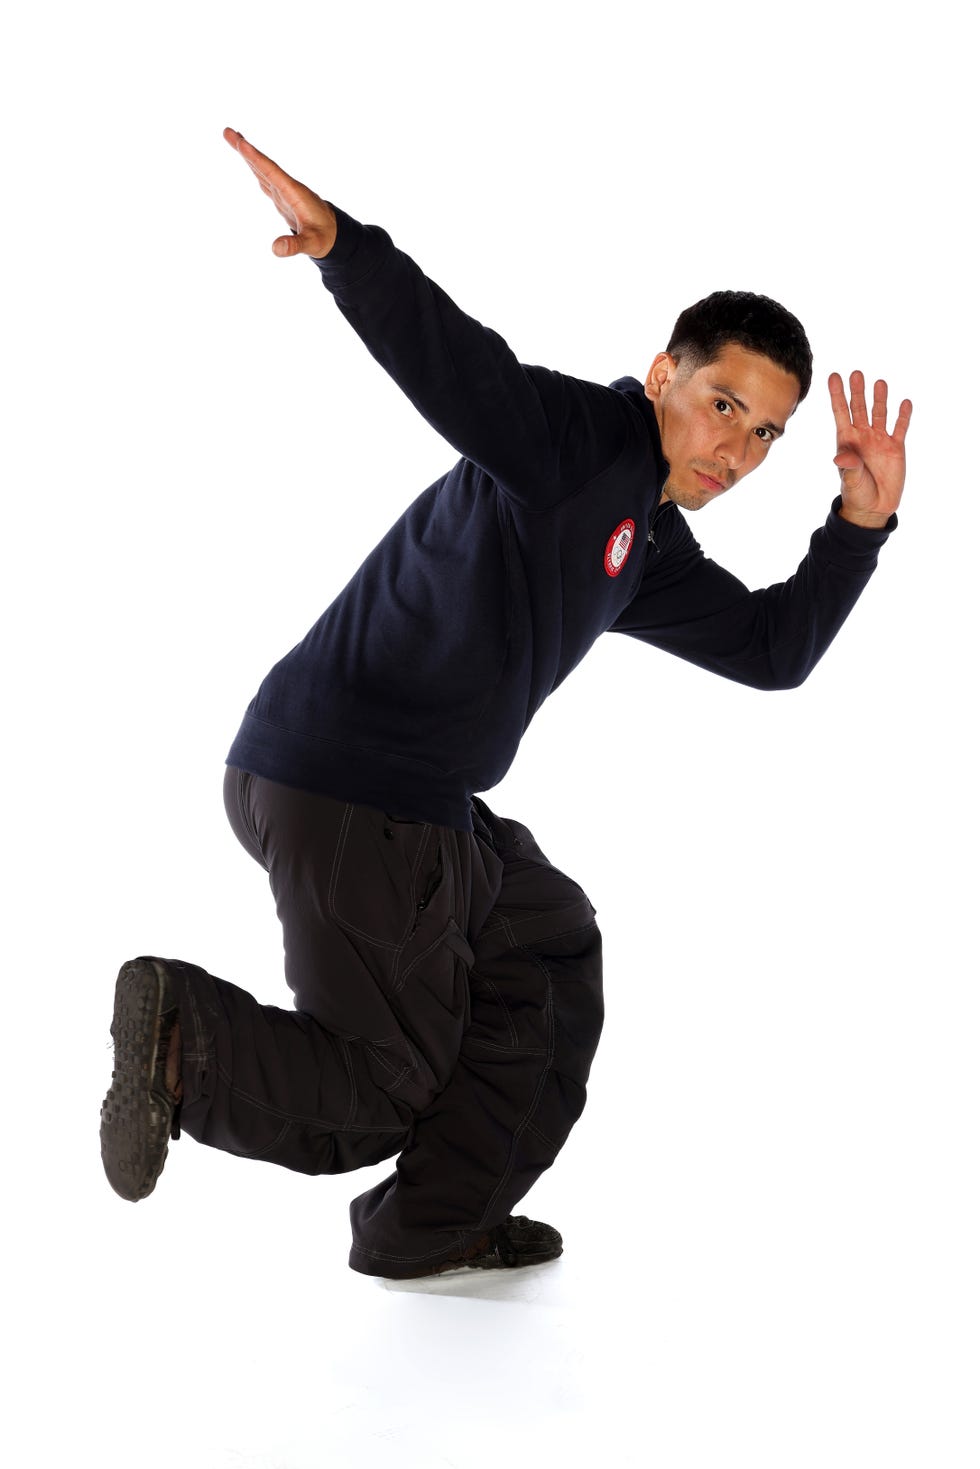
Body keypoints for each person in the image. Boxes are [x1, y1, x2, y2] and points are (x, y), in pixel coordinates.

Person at [100, 129, 912, 1279]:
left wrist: (858, 527)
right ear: (661, 376)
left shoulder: (643, 542)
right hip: (349, 787)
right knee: (383, 1085)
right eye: (723, 404)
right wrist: (348, 252)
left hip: (411, 800)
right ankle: (188, 1045)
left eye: (767, 432)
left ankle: (429, 1226)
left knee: (543, 945)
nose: (738, 447)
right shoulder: (579, 442)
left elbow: (771, 649)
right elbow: (461, 371)